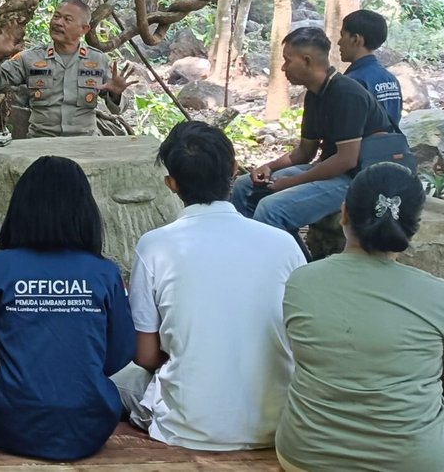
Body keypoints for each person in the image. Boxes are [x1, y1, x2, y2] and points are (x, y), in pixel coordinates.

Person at [276, 163, 444, 472]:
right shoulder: (441, 297)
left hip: (305, 456)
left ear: (343, 213)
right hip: (417, 462)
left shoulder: (301, 282)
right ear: (414, 227)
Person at [114, 121, 307, 451]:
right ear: (234, 169)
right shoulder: (284, 243)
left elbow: (146, 356)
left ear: (171, 184)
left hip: (187, 427)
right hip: (277, 423)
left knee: (114, 380)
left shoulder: (154, 246)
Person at [0, 156, 136, 461]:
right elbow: (118, 357)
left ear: (20, 209)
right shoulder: (104, 273)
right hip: (92, 424)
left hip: (9, 422)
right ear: (85, 211)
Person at [230, 27, 393, 236]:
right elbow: (305, 152)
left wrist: (290, 182)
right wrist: (268, 167)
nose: (283, 68)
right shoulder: (314, 95)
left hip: (359, 178)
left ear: (307, 60)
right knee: (244, 186)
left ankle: (292, 265)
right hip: (334, 171)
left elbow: (347, 160)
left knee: (271, 208)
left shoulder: (347, 94)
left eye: (288, 60)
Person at [0, 0, 131, 138]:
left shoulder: (99, 60)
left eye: (67, 19)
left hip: (85, 144)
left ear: (84, 29)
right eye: (56, 16)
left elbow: (118, 109)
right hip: (42, 142)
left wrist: (116, 95)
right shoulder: (29, 58)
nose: (58, 22)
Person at [338, 9, 403, 127]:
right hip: (391, 145)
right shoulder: (390, 78)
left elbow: (348, 129)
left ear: (356, 39)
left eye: (342, 36)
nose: (339, 42)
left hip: (361, 145)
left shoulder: (353, 81)